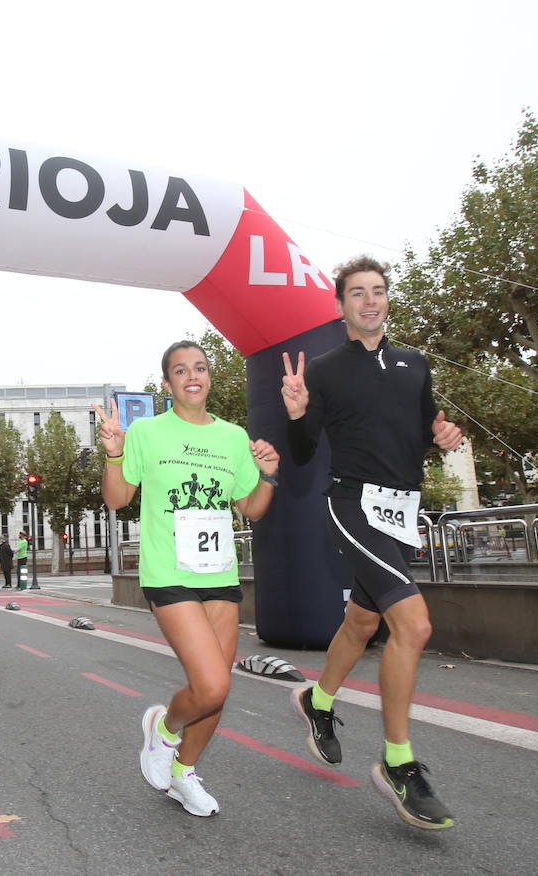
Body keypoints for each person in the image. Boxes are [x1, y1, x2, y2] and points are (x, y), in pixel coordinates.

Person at [281, 255, 463, 831]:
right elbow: (306, 452)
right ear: (341, 307)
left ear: (387, 300)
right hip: (353, 506)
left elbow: (420, 429)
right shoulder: (328, 370)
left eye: (378, 291)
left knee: (362, 623)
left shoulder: (415, 363)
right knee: (413, 625)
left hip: (401, 512)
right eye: (357, 293)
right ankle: (399, 762)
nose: (369, 300)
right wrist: (296, 413)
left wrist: (442, 433)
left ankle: (318, 702)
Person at [97, 340, 279, 817]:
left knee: (216, 691)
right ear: (167, 384)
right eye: (181, 370)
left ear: (209, 377)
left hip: (219, 571)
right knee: (212, 684)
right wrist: (115, 454)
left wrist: (268, 476)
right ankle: (164, 729)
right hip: (168, 572)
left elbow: (252, 509)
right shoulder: (147, 433)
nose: (192, 375)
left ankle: (184, 773)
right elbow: (117, 500)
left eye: (200, 367)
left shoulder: (234, 437)